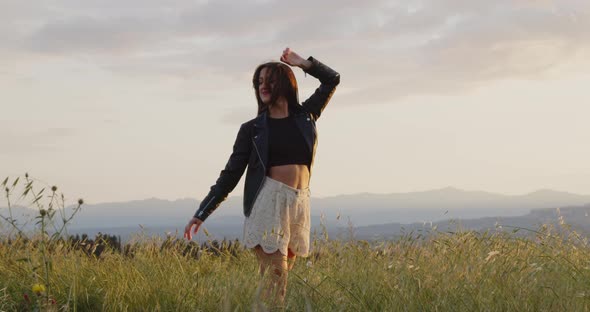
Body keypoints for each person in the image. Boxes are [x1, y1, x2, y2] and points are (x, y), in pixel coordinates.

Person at [184, 47, 340, 305]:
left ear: (285, 84)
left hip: (299, 203)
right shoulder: (252, 129)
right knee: (275, 280)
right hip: (269, 204)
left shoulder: (306, 116)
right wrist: (201, 213)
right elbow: (230, 175)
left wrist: (301, 63)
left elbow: (332, 79)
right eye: (259, 82)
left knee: (278, 285)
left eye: (270, 80)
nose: (263, 86)